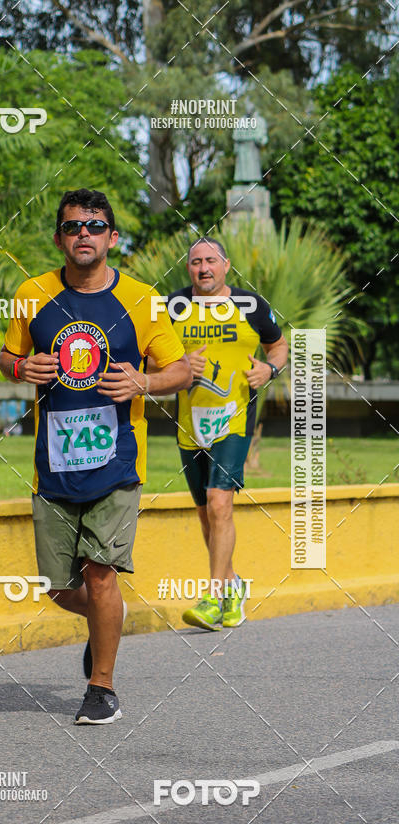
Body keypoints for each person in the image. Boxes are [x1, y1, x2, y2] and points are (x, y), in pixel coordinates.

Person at [0, 189, 191, 724]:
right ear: (59, 237)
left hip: (117, 465)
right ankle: (105, 624)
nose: (83, 234)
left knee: (100, 575)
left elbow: (179, 371)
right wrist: (21, 369)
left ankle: (101, 688)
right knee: (61, 588)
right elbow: (7, 356)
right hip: (53, 464)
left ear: (111, 237)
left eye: (94, 225)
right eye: (71, 226)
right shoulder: (31, 294)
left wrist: (144, 380)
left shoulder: (143, 299)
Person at [161, 236, 288, 630]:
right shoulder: (173, 308)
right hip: (190, 422)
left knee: (220, 503)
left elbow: (278, 345)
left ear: (226, 265)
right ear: (189, 269)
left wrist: (270, 370)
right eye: (196, 262)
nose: (204, 268)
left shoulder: (251, 306)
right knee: (205, 514)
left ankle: (214, 597)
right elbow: (152, 354)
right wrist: (179, 364)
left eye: (211, 260)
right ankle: (234, 587)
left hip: (234, 418)